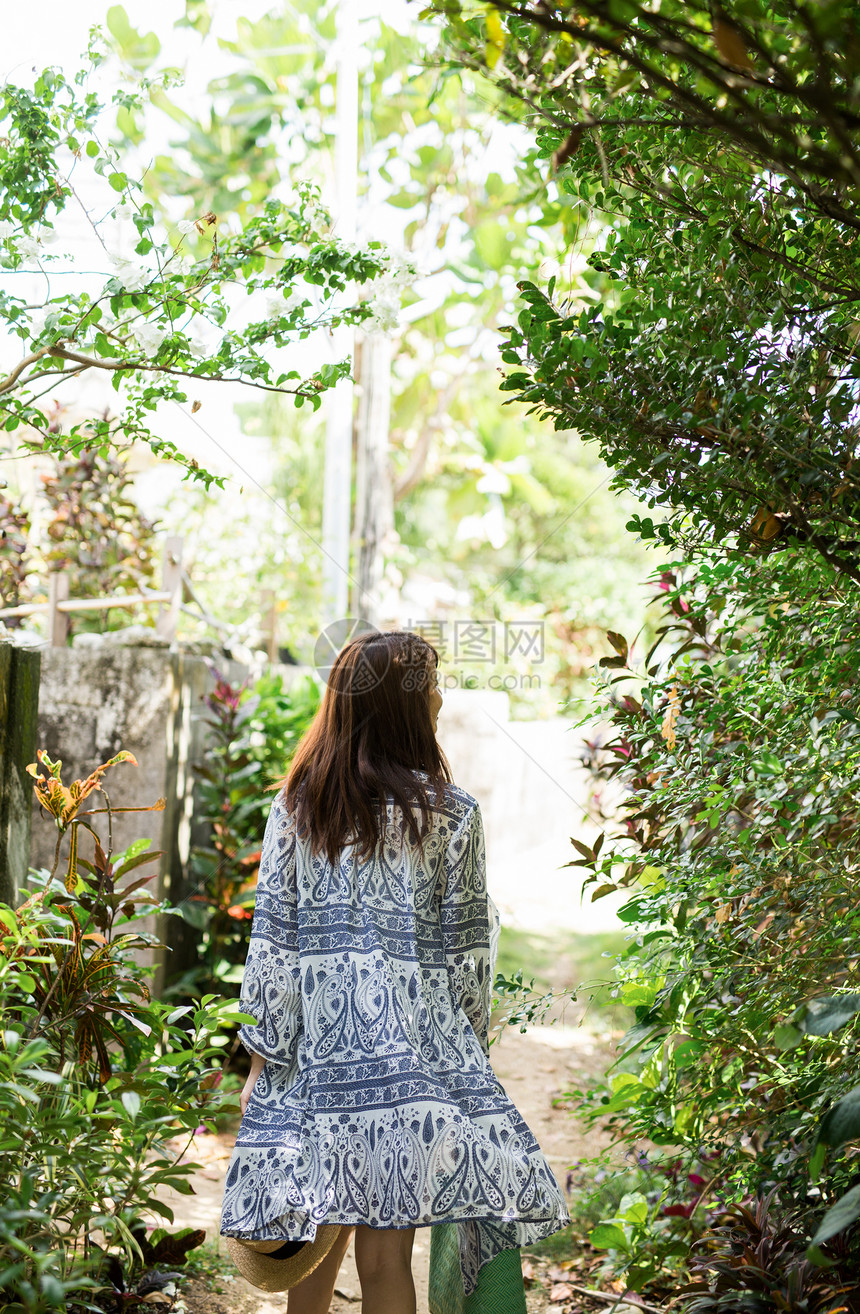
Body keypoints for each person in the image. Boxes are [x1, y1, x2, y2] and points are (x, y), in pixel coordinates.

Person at [220, 630, 569, 1313]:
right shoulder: (451, 814)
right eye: (431, 684)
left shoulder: (295, 809)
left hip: (319, 1068)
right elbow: (467, 956)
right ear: (401, 705)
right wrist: (466, 1057)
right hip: (414, 1069)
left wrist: (261, 1064)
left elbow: (274, 949)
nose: (440, 696)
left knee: (310, 1262)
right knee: (386, 1263)